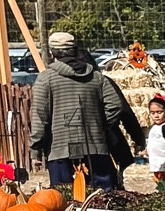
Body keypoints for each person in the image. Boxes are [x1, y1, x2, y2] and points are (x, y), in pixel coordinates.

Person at [28, 30, 134, 193]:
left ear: (51, 52)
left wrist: (36, 150)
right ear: (75, 50)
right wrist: (99, 124)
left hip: (60, 150)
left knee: (66, 201)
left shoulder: (46, 79)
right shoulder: (96, 77)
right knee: (102, 199)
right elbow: (115, 105)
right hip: (96, 148)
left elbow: (40, 117)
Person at [144, 95, 165, 190]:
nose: (156, 116)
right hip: (157, 164)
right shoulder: (154, 128)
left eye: (159, 112)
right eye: (153, 113)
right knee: (160, 186)